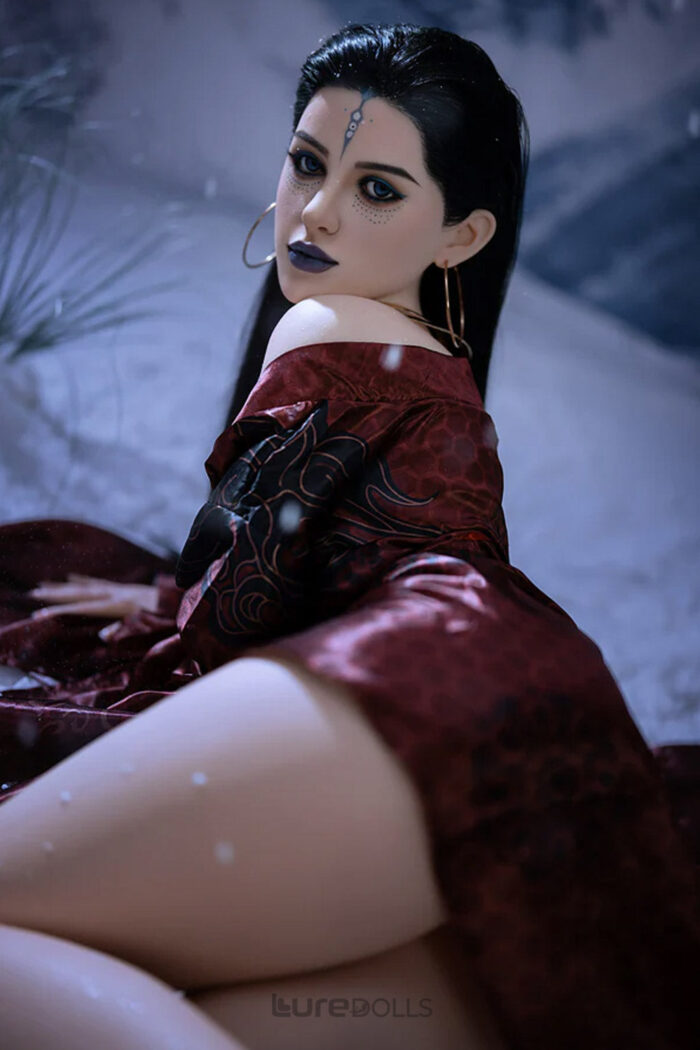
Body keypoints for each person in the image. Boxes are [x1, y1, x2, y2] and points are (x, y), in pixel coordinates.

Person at [0, 22, 697, 1050]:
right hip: (504, 700)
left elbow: (239, 603)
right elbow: (311, 564)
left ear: (461, 236)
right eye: (306, 162)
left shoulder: (323, 324)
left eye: (376, 188)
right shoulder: (417, 354)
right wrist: (177, 598)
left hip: (419, 680)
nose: (317, 210)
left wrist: (180, 613)